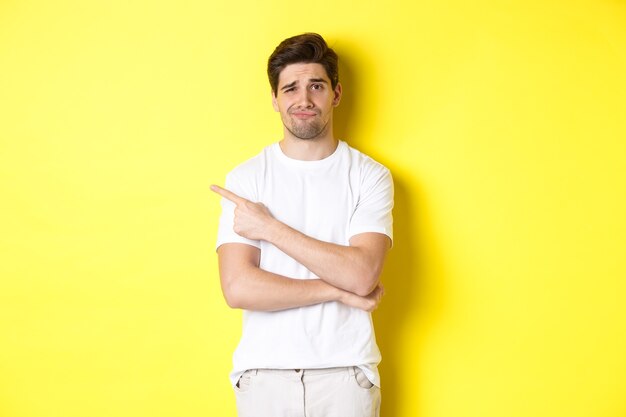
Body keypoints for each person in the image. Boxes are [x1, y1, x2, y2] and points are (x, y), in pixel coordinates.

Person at [211, 32, 394, 417]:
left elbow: (362, 275)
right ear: (276, 100)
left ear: (336, 94)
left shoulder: (369, 176)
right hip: (264, 375)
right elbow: (238, 287)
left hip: (346, 374)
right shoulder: (247, 178)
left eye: (316, 86)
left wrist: (270, 228)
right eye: (290, 88)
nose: (304, 99)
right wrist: (337, 290)